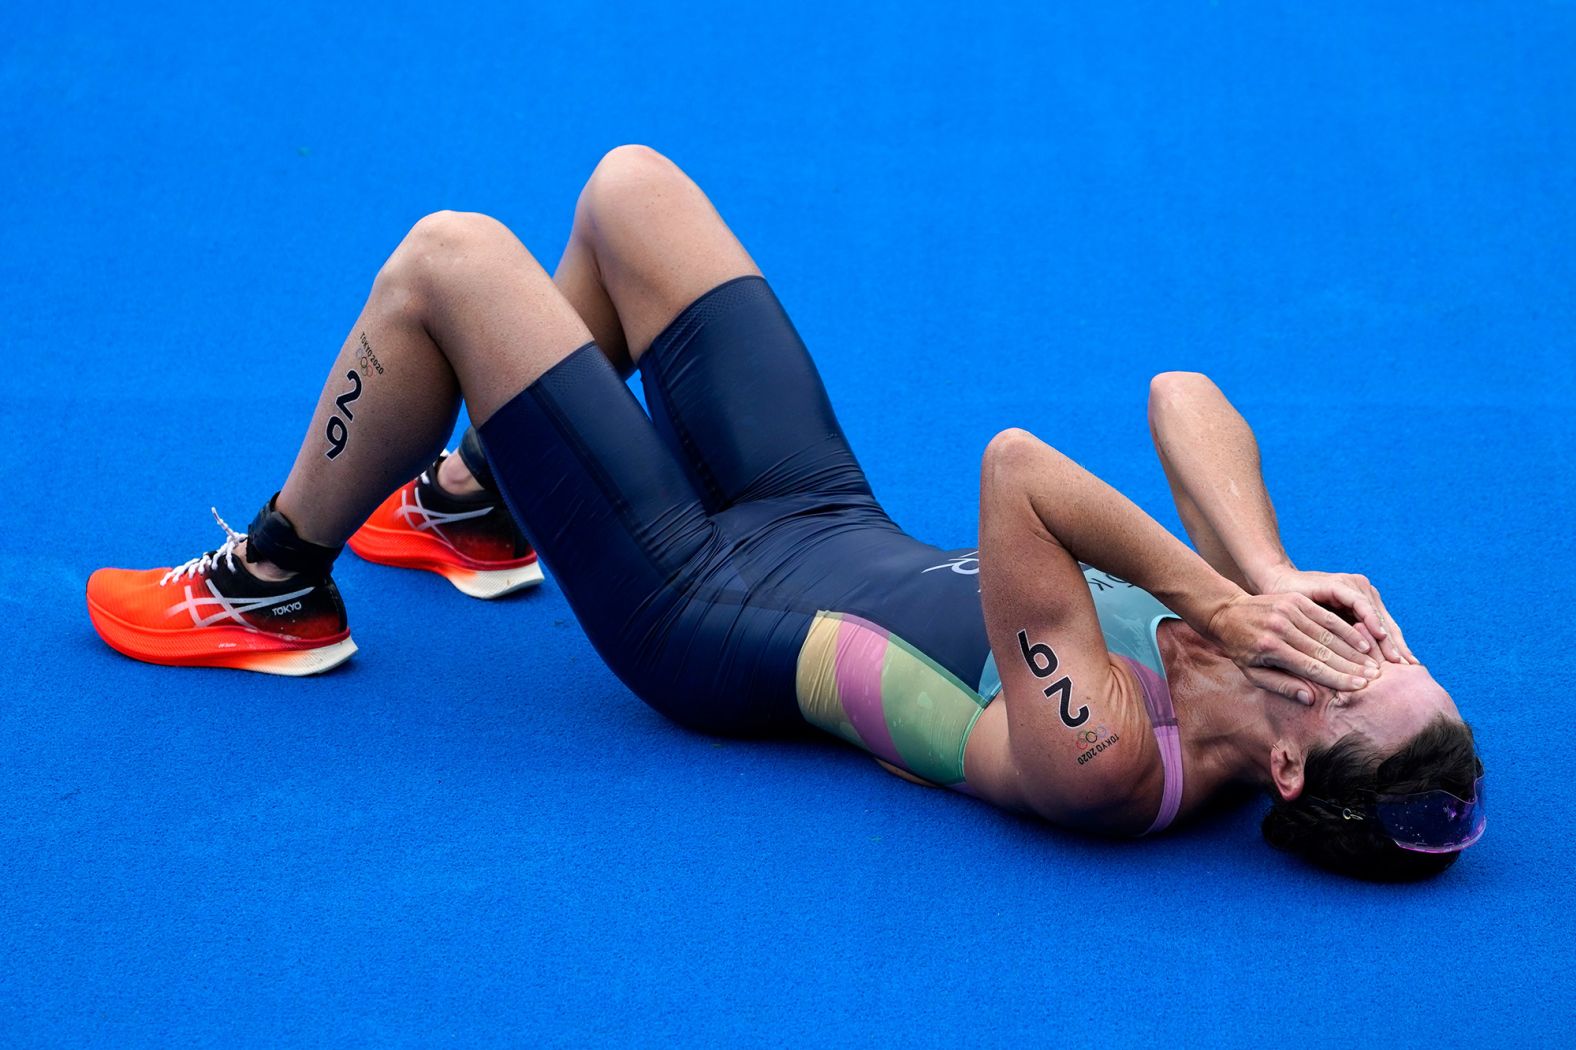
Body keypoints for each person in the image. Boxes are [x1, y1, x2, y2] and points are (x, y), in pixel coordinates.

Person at [85, 146, 1484, 880]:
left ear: (1292, 771)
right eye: (1389, 647)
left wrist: (1225, 604)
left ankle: (272, 585)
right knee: (631, 192)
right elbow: (1186, 395)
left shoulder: (1116, 763)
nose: (1357, 650)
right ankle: (482, 505)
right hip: (817, 508)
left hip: (699, 607)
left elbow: (1016, 471)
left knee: (449, 261)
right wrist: (1272, 563)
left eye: (1354, 685)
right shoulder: (1254, 625)